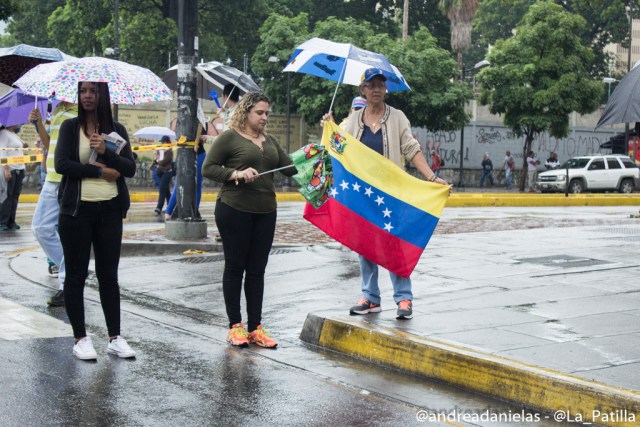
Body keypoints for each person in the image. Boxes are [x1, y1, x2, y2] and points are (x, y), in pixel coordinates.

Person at [329, 67, 450, 320]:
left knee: (395, 243)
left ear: (386, 90)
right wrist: (329, 128)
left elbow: (410, 147)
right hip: (363, 195)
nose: (376, 90)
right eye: (371, 85)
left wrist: (431, 177)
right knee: (364, 244)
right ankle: (370, 298)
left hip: (392, 193)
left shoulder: (397, 117)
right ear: (363, 90)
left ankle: (404, 298)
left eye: (381, 85)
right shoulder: (353, 120)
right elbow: (338, 148)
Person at [202, 92, 297, 348]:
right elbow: (208, 168)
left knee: (257, 270)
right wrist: (237, 173)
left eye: (267, 113)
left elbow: (291, 167)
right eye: (260, 112)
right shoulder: (229, 138)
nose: (265, 117)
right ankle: (235, 327)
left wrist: (322, 144)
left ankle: (256, 328)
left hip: (266, 211)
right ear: (246, 112)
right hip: (234, 208)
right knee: (235, 267)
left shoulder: (270, 140)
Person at [55, 81, 137, 361]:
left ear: (103, 95)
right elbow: (62, 165)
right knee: (76, 275)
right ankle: (81, 338)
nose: (87, 96)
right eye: (83, 91)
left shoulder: (118, 130)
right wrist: (99, 171)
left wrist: (106, 152)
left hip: (110, 211)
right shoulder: (70, 127)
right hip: (77, 211)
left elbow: (130, 168)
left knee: (109, 276)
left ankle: (115, 337)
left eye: (93, 91)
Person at [29, 102, 78, 306]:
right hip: (51, 177)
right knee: (40, 228)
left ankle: (68, 284)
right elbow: (51, 145)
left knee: (69, 233)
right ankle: (74, 271)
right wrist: (38, 124)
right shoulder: (59, 110)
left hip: (69, 179)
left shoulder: (82, 111)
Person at [0, 125, 27, 232]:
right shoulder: (3, 134)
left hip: (20, 169)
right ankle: (2, 222)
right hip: (11, 169)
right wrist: (6, 169)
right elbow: (2, 152)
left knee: (15, 197)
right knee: (7, 196)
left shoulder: (14, 134)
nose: (19, 124)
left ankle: (12, 221)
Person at [151, 136, 173, 215]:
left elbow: (166, 160)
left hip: (167, 172)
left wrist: (158, 162)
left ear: (166, 142)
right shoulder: (160, 150)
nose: (162, 143)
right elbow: (156, 159)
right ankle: (171, 207)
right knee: (166, 190)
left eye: (163, 142)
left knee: (162, 189)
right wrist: (156, 155)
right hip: (159, 172)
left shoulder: (169, 150)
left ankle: (159, 207)